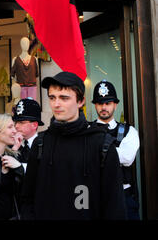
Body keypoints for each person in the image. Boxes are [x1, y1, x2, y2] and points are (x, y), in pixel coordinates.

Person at [21, 71, 127, 220]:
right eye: (52, 98)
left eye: (64, 98)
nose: (56, 104)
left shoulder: (102, 144)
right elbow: (28, 199)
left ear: (80, 101)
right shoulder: (40, 143)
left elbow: (115, 205)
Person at [91, 80, 140, 220]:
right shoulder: (87, 130)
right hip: (94, 194)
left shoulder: (129, 131)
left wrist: (95, 151)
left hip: (122, 195)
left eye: (108, 103)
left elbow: (127, 158)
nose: (103, 107)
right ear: (95, 105)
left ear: (115, 104)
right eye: (100, 103)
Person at [12, 98, 44, 170]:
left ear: (34, 125)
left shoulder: (45, 145)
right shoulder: (13, 144)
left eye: (21, 122)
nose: (16, 126)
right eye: (16, 122)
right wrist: (15, 148)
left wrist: (20, 166)